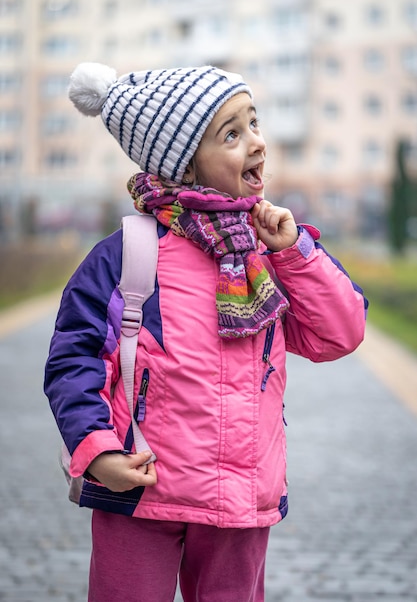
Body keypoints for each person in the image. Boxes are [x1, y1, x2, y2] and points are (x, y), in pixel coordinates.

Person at [44, 62, 367, 602]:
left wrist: (294, 254)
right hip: (141, 491)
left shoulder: (268, 251)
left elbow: (339, 333)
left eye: (254, 123)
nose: (258, 143)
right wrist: (97, 450)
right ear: (185, 165)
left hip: (241, 498)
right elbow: (74, 358)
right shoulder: (127, 257)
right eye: (233, 134)